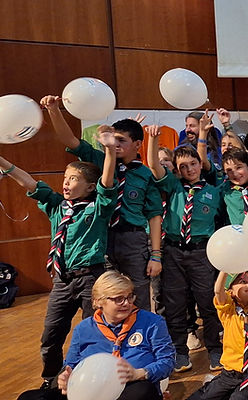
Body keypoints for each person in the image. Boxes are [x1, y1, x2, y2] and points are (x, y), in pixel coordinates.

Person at [0, 130, 116, 390]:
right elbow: (28, 182)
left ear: (89, 186)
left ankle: (95, 380)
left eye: (73, 179)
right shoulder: (56, 205)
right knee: (51, 335)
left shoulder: (97, 207)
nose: (65, 183)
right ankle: (51, 380)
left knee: (95, 333)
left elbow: (107, 184)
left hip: (91, 278)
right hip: (62, 281)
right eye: (65, 178)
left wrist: (109, 151)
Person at [42, 95, 164, 312]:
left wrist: (155, 254)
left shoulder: (146, 175)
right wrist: (53, 109)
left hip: (132, 240)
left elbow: (155, 215)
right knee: (104, 295)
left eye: (121, 141)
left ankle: (140, 342)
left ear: (137, 144)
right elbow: (69, 140)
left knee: (138, 294)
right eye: (113, 139)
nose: (115, 144)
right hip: (101, 238)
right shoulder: (101, 159)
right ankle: (109, 340)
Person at [17, 271, 176, 400]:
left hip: (133, 387)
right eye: (119, 299)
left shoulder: (152, 322)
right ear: (98, 301)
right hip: (91, 391)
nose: (127, 303)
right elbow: (71, 365)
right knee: (28, 397)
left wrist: (139, 373)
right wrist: (66, 378)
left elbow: (167, 361)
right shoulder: (84, 328)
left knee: (143, 391)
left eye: (129, 297)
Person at [145, 126, 224, 371]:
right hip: (174, 251)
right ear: (177, 170)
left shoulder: (214, 191)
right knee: (175, 303)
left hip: (202, 252)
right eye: (183, 167)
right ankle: (179, 350)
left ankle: (214, 348)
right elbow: (154, 166)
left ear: (201, 164)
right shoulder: (173, 187)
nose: (189, 169)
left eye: (193, 164)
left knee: (208, 302)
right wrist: (154, 139)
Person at [188, 266, 248, 400]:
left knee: (239, 398)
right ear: (231, 292)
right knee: (203, 397)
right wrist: (225, 267)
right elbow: (218, 291)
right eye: (242, 282)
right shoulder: (228, 312)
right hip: (230, 374)